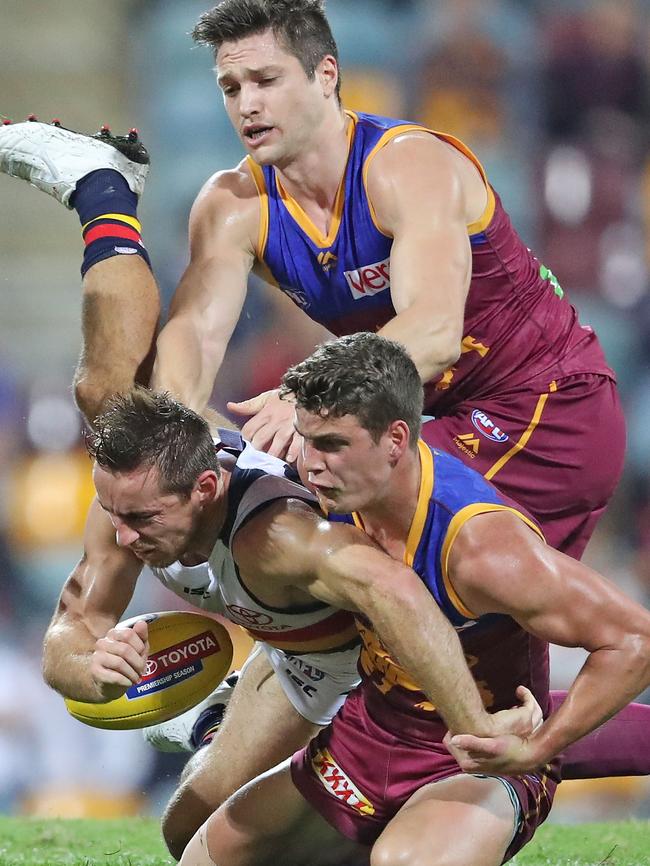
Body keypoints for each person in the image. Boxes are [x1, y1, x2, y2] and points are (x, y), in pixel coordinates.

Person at [0, 0, 624, 558]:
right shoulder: (232, 203)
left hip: (544, 406)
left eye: (266, 80)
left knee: (365, 567)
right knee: (119, 404)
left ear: (326, 75)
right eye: (230, 86)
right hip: (422, 420)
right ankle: (102, 199)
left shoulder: (408, 165)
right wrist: (187, 439)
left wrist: (307, 395)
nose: (247, 104)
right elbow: (192, 337)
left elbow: (433, 334)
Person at [176, 332, 650, 866]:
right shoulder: (327, 491)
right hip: (365, 736)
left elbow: (633, 640)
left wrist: (537, 749)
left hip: (473, 761)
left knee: (403, 862)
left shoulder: (480, 548)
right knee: (198, 852)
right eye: (306, 440)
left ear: (395, 440)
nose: (311, 464)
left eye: (332, 444)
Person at [42, 386, 535, 860]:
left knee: (381, 835)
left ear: (205, 488)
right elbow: (67, 633)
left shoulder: (281, 533)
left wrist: (475, 727)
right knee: (188, 829)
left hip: (379, 662)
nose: (123, 537)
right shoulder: (131, 501)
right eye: (112, 513)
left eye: (142, 519)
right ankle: (216, 726)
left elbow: (397, 593)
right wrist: (93, 671)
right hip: (300, 655)